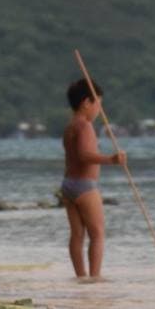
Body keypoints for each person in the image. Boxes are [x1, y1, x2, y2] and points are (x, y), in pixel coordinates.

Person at [61, 77, 127, 279]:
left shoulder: (70, 126)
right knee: (97, 234)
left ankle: (81, 277)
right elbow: (84, 155)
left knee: (77, 234)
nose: (99, 109)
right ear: (86, 103)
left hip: (68, 184)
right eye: (98, 103)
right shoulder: (84, 125)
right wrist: (111, 159)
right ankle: (95, 277)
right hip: (85, 186)